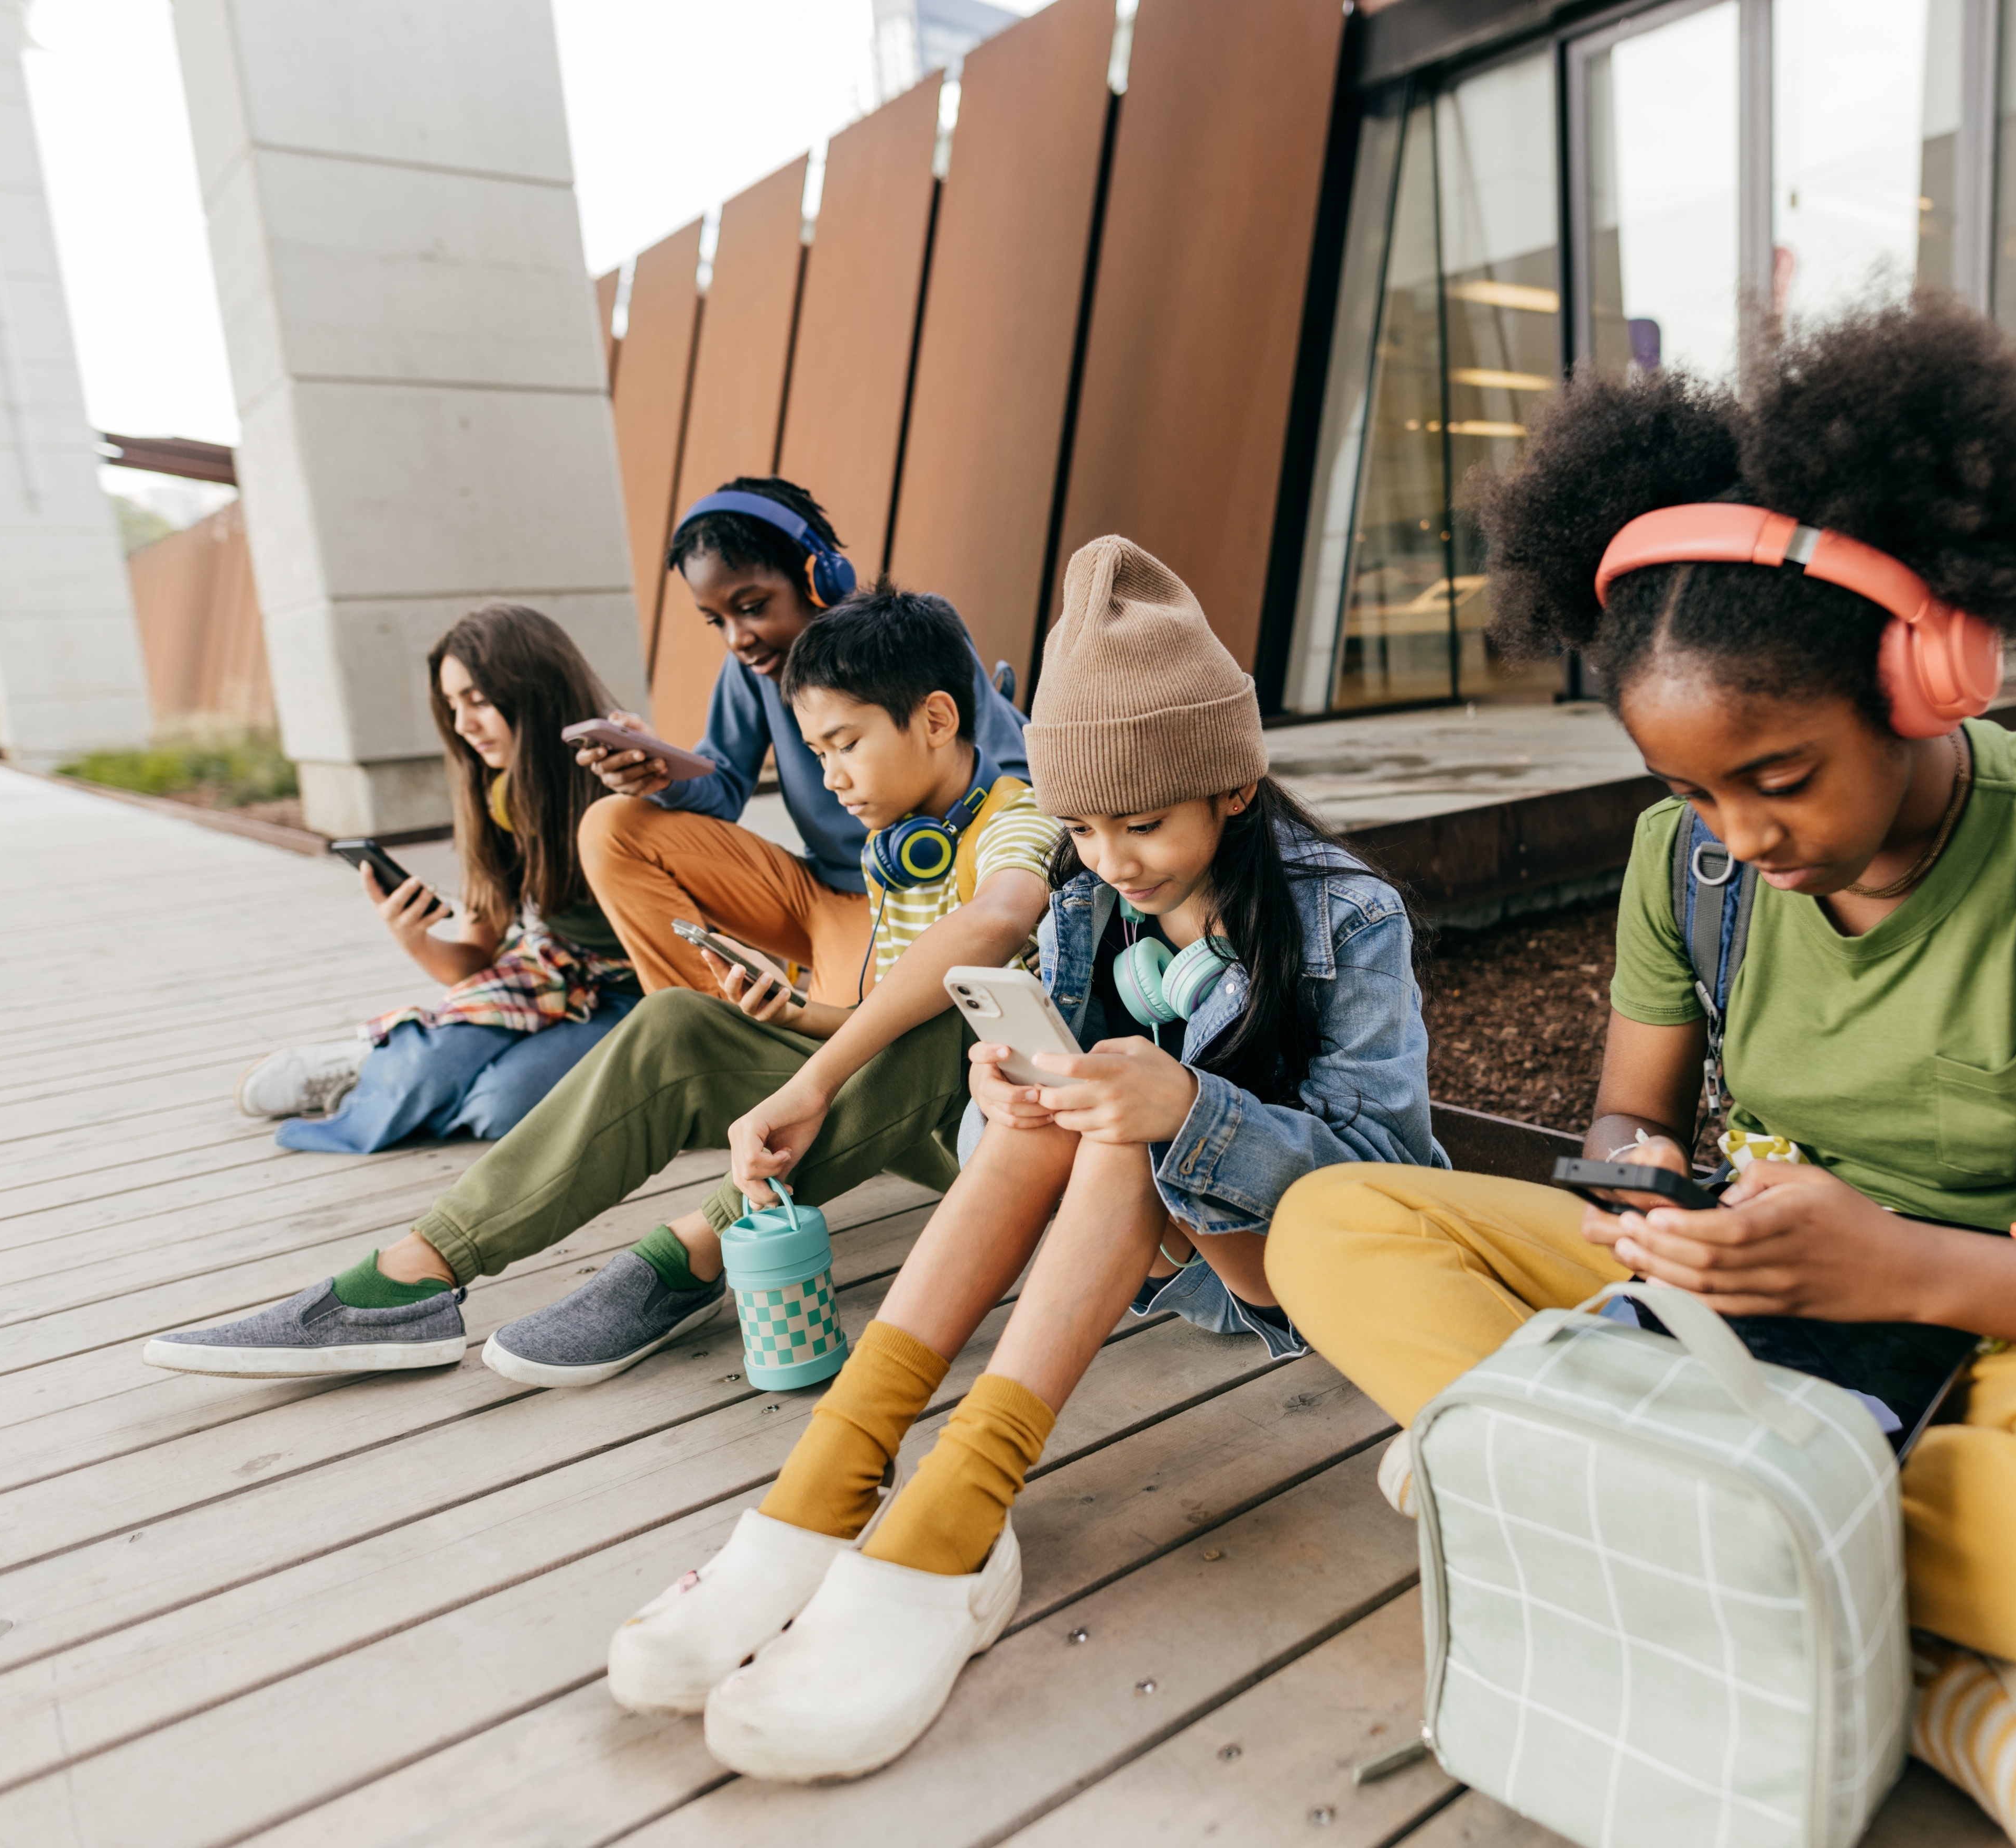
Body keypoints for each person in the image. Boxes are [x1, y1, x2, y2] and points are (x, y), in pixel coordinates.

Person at [1263, 296, 2016, 1848]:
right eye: (1688, 791)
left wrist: (1899, 1266)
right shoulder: (1687, 865)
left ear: (1926, 680)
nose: (1736, 837)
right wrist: (1641, 1202)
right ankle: (1897, 1637)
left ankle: (1628, 1507)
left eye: (1776, 777)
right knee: (1332, 1226)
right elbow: (1628, 1122)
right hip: (1751, 1310)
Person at [596, 538, 1442, 1781]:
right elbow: (1029, 1114)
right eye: (1084, 827)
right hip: (1160, 1248)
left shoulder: (1345, 915)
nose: (1107, 860)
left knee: (1118, 1127)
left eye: (1143, 824)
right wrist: (1004, 1091)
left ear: (1234, 788)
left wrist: (1189, 1106)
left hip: (1314, 1262)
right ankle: (837, 1471)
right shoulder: (1087, 894)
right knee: (1060, 1106)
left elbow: (1386, 1175)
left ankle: (957, 1510)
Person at [146, 583, 1061, 1389]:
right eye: (815, 751)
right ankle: (422, 1269)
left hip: (993, 1130)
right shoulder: (897, 838)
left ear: (937, 719)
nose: (829, 776)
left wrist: (810, 1075)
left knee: (960, 1006)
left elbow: (994, 922)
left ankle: (692, 1254)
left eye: (845, 744)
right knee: (675, 1021)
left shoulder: (1012, 821)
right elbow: (874, 1014)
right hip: (895, 1100)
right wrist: (801, 1020)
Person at [574, 477, 1029, 998]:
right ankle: (710, 1031)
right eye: (715, 621)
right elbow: (722, 792)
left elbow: (1017, 777)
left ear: (820, 577)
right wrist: (660, 774)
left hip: (911, 885)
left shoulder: (907, 643)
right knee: (611, 826)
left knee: (852, 1049)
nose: (736, 638)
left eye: (751, 607)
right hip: (818, 890)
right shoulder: (749, 670)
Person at [233, 604, 641, 1153]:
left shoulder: (623, 778)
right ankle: (397, 1066)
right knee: (466, 1083)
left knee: (502, 1107)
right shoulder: (496, 794)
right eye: (452, 705)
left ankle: (397, 1071)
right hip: (543, 973)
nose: (462, 725)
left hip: (638, 993)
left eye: (478, 700)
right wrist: (412, 936)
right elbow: (474, 955)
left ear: (536, 692)